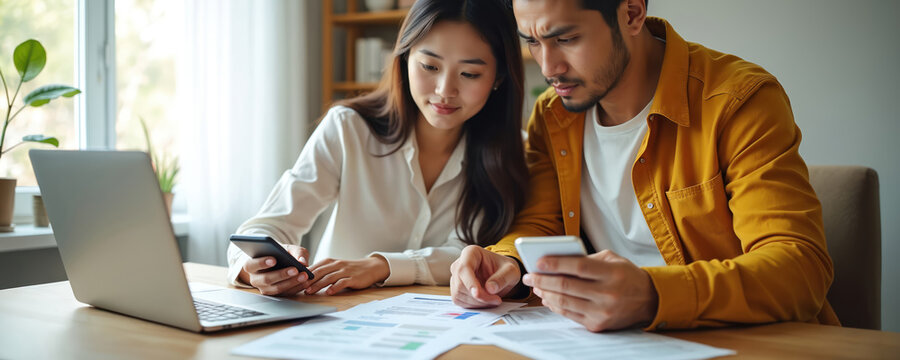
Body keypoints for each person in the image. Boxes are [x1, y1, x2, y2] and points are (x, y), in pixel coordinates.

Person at [450, 0, 840, 332]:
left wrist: (653, 295)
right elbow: (539, 225)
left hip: (748, 343)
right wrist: (505, 262)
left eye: (566, 39)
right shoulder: (553, 117)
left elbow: (799, 270)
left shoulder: (738, 101)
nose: (549, 66)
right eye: (532, 42)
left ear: (632, 14)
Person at [226, 0, 528, 296]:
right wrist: (255, 268)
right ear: (405, 58)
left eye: (469, 74)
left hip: (446, 327)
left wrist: (381, 266)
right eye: (429, 66)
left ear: (498, 77)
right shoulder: (349, 128)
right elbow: (267, 226)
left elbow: (467, 253)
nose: (444, 90)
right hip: (333, 316)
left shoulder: (513, 152)